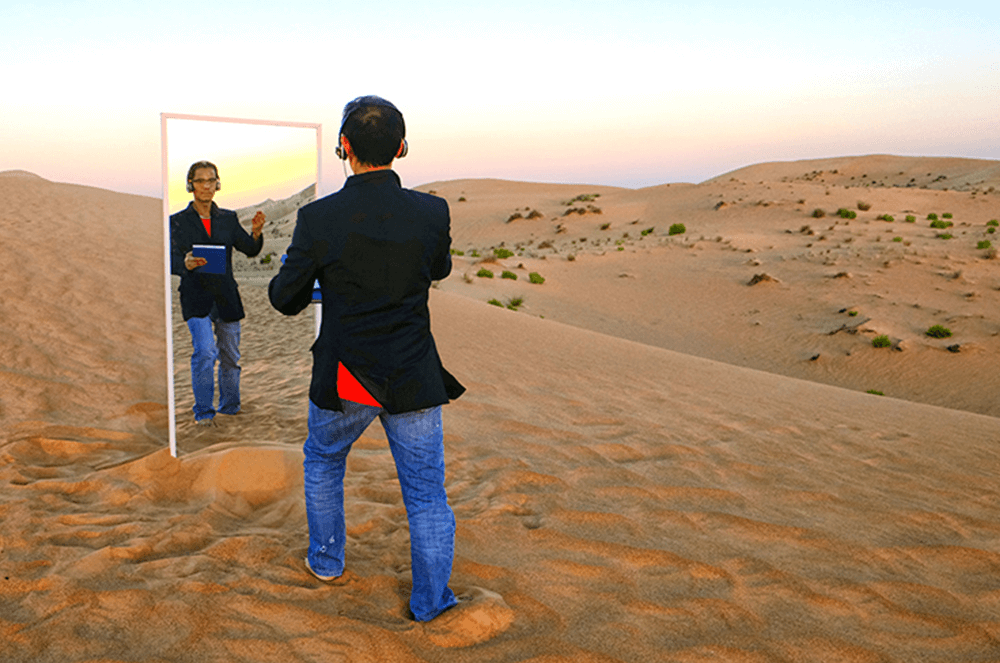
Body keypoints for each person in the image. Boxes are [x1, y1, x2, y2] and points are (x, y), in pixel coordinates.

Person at [268, 96, 465, 622]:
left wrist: (314, 276)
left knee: (325, 459)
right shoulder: (433, 211)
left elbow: (284, 299)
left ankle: (328, 562)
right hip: (411, 374)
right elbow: (439, 269)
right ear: (402, 148)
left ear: (344, 148)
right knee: (426, 495)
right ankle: (431, 602)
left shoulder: (317, 218)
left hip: (349, 376)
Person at [170, 160, 265, 425]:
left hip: (226, 297)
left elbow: (250, 249)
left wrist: (256, 233)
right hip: (195, 296)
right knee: (204, 352)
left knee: (230, 357)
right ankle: (203, 414)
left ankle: (230, 409)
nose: (206, 186)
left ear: (218, 184)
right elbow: (170, 258)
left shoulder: (228, 219)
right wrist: (184, 264)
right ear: (191, 185)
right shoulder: (176, 222)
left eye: (211, 180)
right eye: (200, 181)